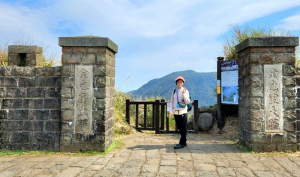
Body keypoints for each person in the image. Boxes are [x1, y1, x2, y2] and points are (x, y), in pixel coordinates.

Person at [169, 76, 191, 149]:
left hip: (183, 112)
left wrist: (184, 94)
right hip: (176, 112)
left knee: (183, 128)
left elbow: (187, 101)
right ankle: (184, 141)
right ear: (176, 83)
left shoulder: (185, 91)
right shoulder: (174, 91)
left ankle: (181, 143)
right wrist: (170, 112)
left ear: (183, 83)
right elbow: (171, 102)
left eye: (181, 82)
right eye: (178, 82)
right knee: (180, 128)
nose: (180, 83)